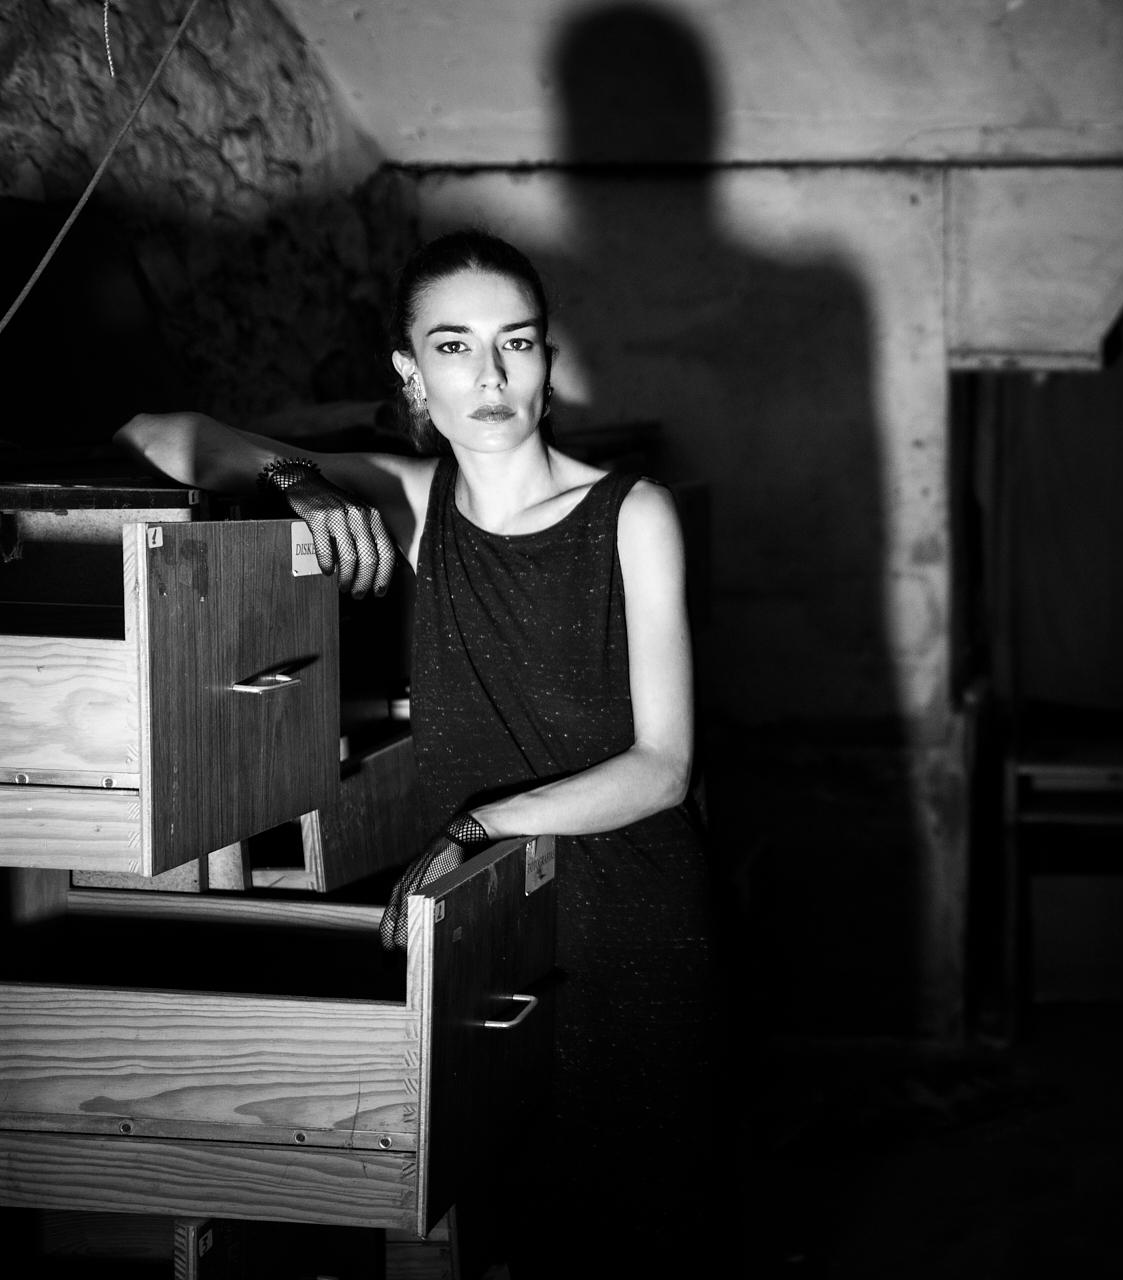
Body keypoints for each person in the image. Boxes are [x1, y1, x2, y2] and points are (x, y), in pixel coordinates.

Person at [114, 229, 725, 1274]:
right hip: (491, 921)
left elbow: (664, 767)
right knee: (509, 1224)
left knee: (643, 1231)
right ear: (410, 372)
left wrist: (478, 825)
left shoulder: (632, 513)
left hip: (632, 917)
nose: (489, 376)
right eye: (453, 346)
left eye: (515, 343)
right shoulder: (408, 500)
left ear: (547, 360)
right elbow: (152, 436)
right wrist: (295, 476)